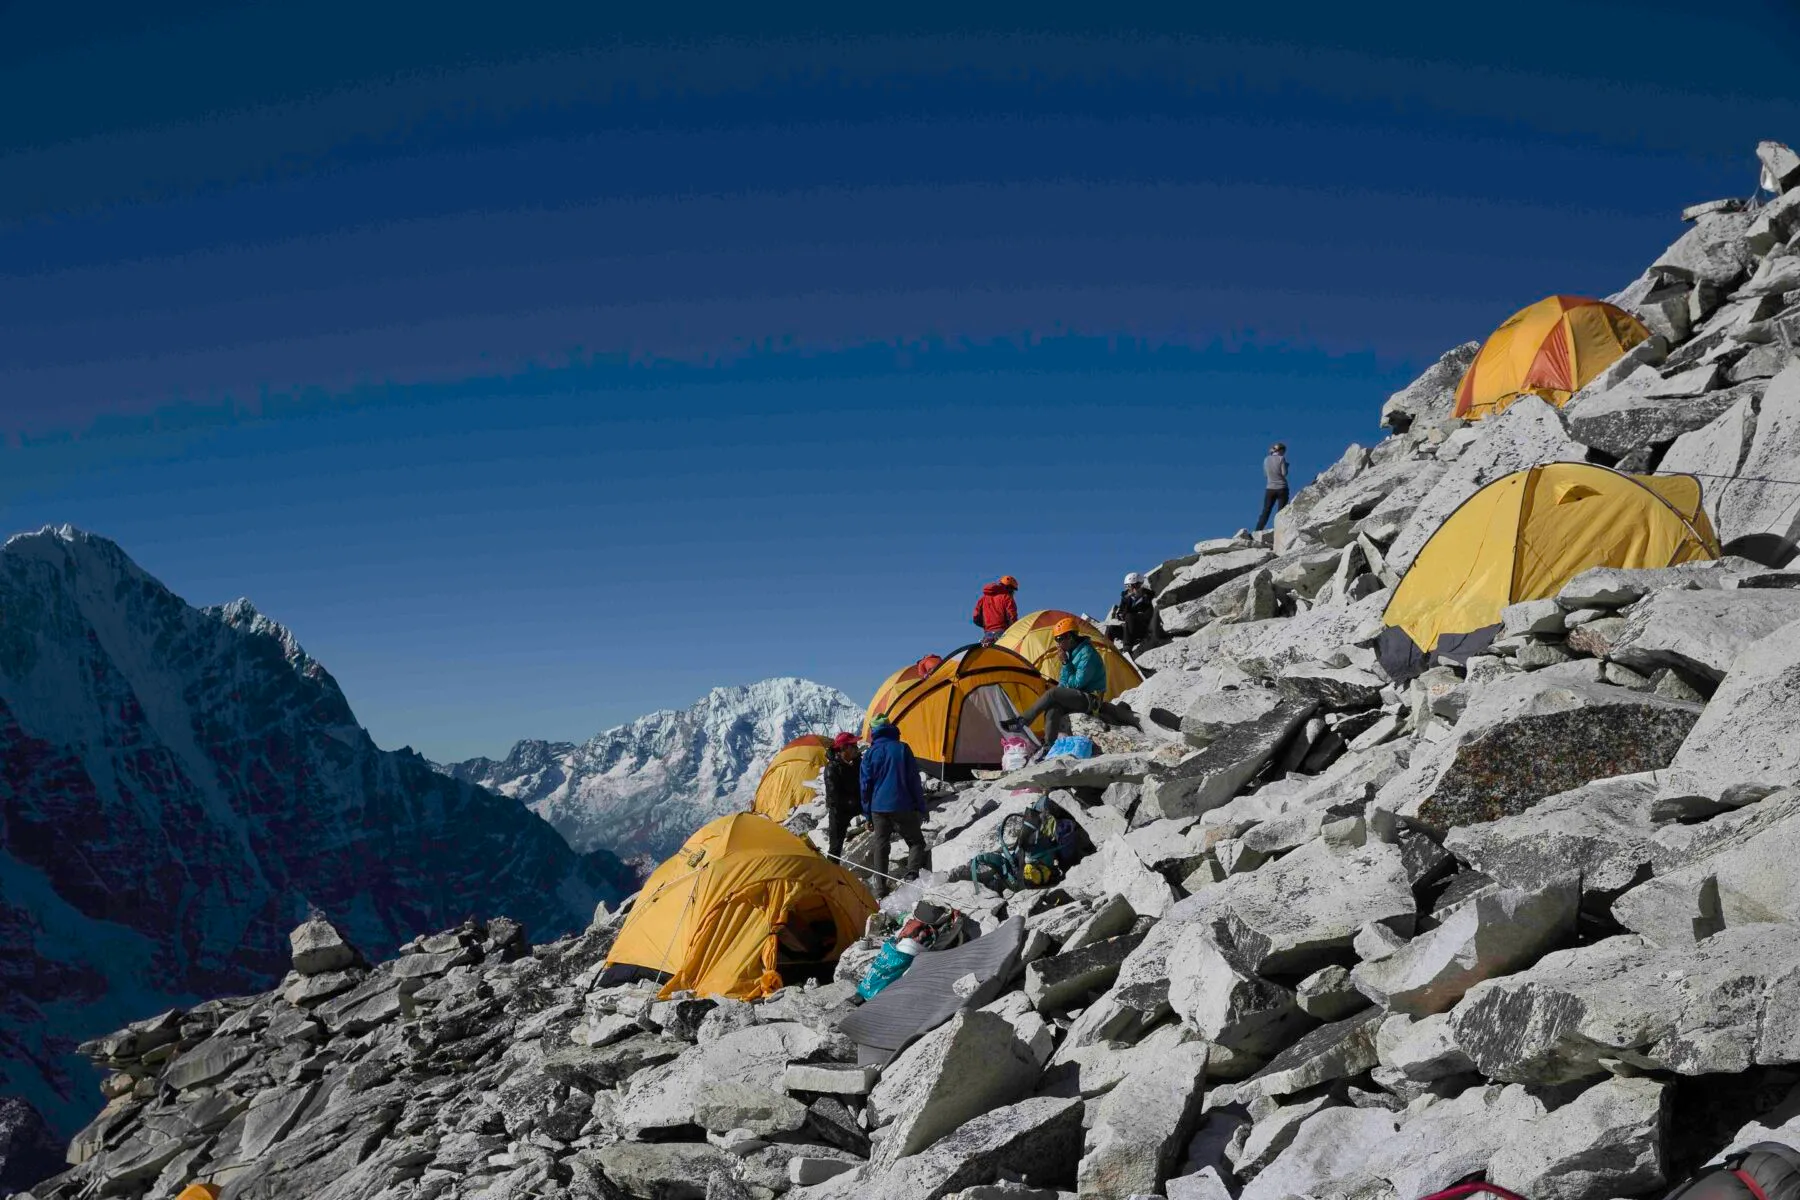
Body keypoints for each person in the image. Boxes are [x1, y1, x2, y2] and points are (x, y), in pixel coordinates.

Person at [1000, 617, 1138, 754]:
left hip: (1092, 700)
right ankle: (1049, 745)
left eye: (1060, 639)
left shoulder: (1087, 654)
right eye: (1056, 639)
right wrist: (1065, 670)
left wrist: (1066, 664)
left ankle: (1022, 721)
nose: (1058, 643)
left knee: (1052, 694)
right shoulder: (1070, 654)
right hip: (1077, 697)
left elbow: (1078, 683)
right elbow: (1064, 681)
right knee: (1053, 705)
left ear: (1070, 637)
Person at [858, 716, 929, 898]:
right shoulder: (902, 748)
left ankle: (880, 888)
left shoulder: (870, 753)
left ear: (874, 732)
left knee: (881, 844)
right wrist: (921, 806)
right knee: (916, 842)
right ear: (890, 728)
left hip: (878, 807)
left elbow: (865, 786)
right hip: (902, 804)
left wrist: (867, 815)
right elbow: (914, 780)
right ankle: (911, 875)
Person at [819, 732, 862, 860]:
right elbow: (834, 798)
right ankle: (832, 874)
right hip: (839, 812)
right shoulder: (832, 768)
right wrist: (854, 802)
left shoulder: (856, 762)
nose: (856, 748)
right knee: (835, 848)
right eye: (853, 746)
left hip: (857, 805)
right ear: (844, 748)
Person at [1117, 571, 1161, 655]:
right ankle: (1106, 650)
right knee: (1111, 629)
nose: (1132, 589)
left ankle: (1127, 650)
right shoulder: (1126, 598)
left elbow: (1149, 615)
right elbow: (1119, 614)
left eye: (1135, 586)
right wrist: (1122, 614)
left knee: (1129, 617)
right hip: (1129, 630)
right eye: (1128, 586)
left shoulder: (1148, 595)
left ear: (1140, 585)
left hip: (1143, 629)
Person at [971, 575, 1020, 644]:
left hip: (988, 635)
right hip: (1002, 633)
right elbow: (1012, 616)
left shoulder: (983, 599)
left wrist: (987, 625)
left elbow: (976, 618)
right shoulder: (1007, 598)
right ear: (1010, 588)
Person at [1256, 442, 1289, 532]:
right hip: (1282, 487)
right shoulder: (1281, 459)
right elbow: (1284, 473)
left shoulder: (1266, 459)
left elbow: (1266, 475)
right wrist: (1286, 466)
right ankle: (1279, 531)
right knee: (1281, 512)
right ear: (1281, 450)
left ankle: (1258, 530)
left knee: (1266, 510)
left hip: (1270, 488)